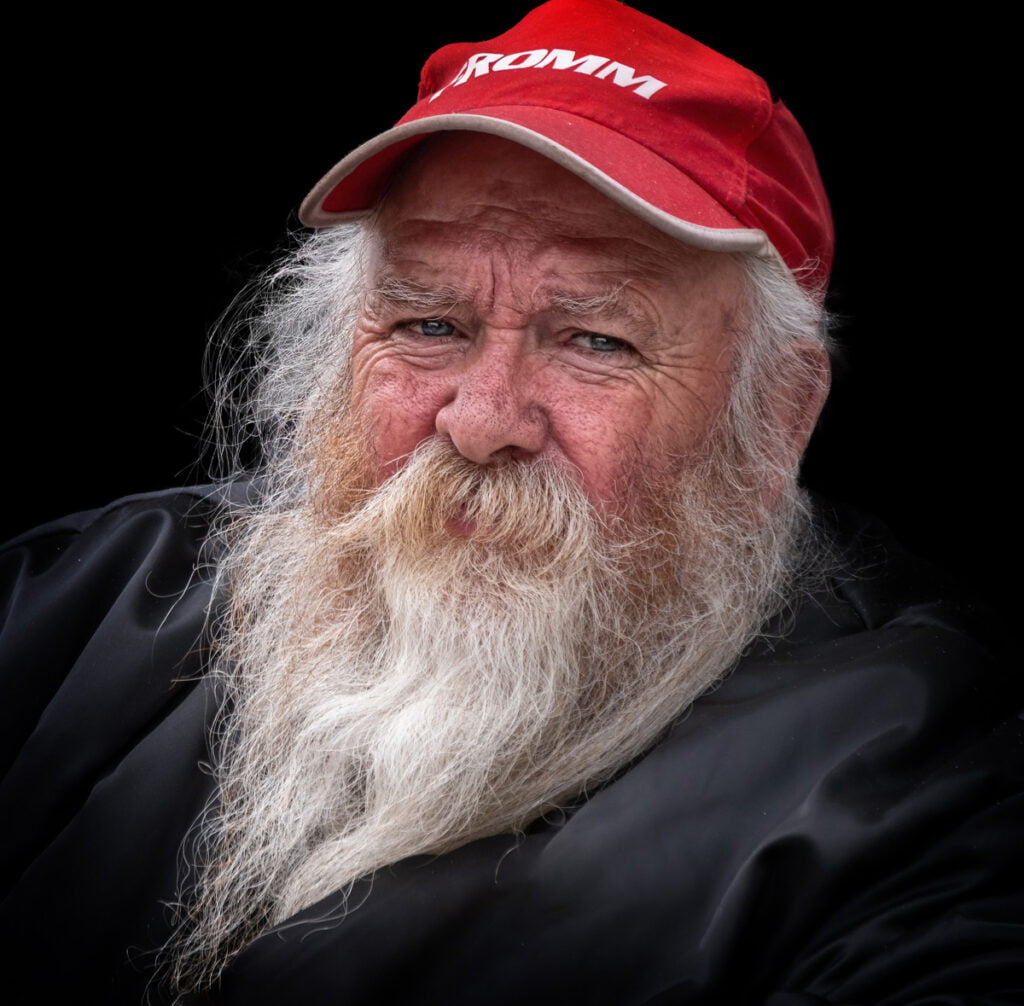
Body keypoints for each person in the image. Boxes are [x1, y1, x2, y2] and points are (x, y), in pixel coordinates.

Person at [1, 2, 1019, 1003]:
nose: (481, 420)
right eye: (429, 321)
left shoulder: (915, 780)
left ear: (780, 419)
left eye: (597, 340)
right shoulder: (95, 594)